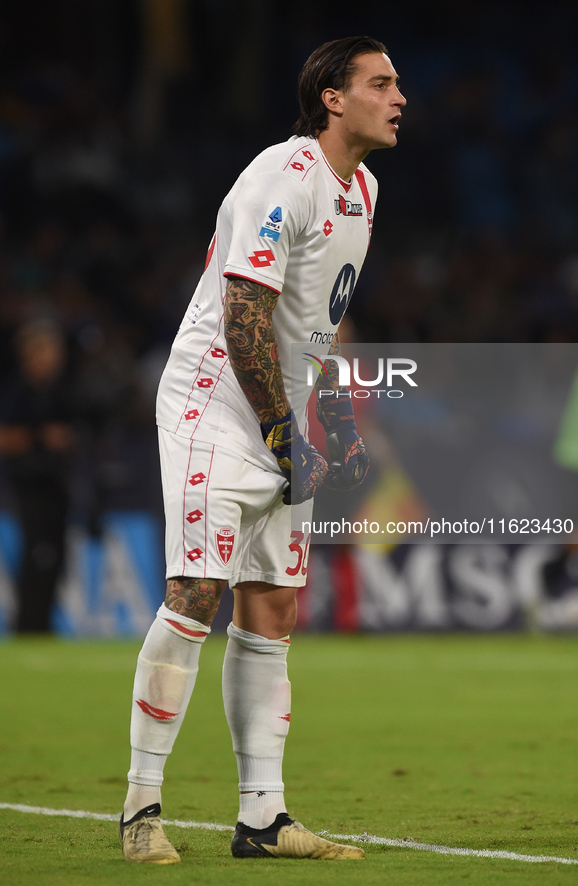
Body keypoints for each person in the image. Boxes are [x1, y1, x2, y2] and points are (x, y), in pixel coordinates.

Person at [119, 35, 406, 864]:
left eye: (396, 85)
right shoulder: (280, 178)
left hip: (283, 402)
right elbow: (245, 315)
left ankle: (263, 819)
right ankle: (141, 810)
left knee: (273, 604)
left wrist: (340, 424)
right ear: (331, 97)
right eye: (379, 84)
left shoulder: (364, 190)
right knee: (198, 589)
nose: (397, 99)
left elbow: (314, 323)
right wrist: (287, 438)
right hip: (217, 399)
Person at [0, 318, 75, 633]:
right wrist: (42, 437)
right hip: (29, 489)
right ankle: (28, 625)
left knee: (56, 557)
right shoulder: (17, 392)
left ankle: (43, 622)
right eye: (45, 351)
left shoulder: (59, 391)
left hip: (56, 484)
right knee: (37, 555)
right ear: (28, 354)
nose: (53, 358)